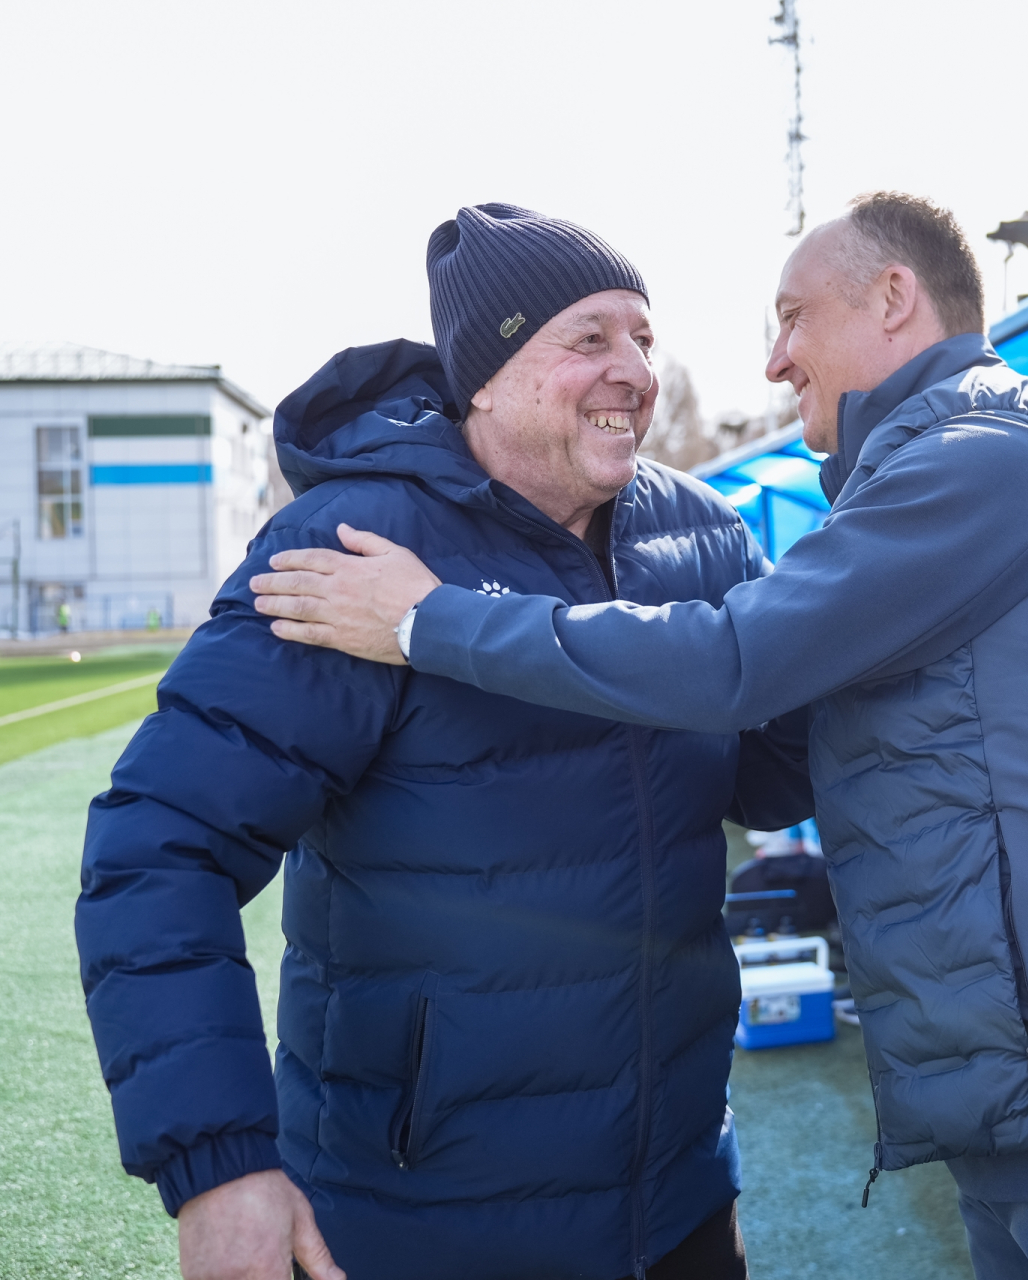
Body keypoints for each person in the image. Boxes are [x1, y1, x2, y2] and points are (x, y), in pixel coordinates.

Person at [249, 191, 1028, 1280]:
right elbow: (782, 747)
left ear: (894, 298)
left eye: (793, 317)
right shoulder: (925, 467)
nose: (774, 358)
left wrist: (429, 618)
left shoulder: (988, 452)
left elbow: (738, 658)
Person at [74, 204, 813, 1280]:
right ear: (488, 376)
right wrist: (220, 1164)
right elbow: (158, 847)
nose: (635, 370)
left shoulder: (700, 534)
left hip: (679, 1201)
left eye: (643, 337)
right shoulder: (352, 545)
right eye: (590, 336)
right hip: (419, 1220)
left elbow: (770, 780)